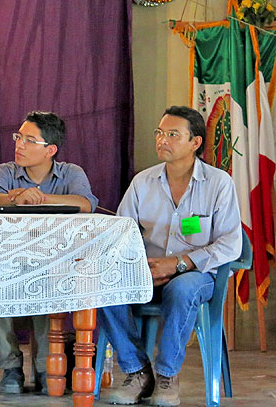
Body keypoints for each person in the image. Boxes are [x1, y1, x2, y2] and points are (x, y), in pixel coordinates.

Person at [100, 106, 241, 406]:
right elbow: (121, 234)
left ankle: (167, 375)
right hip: (148, 271)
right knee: (104, 285)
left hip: (199, 275)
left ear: (195, 143)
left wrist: (178, 263)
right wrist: (139, 266)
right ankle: (137, 370)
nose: (163, 140)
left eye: (173, 134)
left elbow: (231, 244)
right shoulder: (142, 182)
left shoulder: (219, 184)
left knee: (182, 288)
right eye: (160, 133)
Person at [0, 111, 98, 394]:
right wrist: (15, 196)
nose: (19, 144)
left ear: (50, 150)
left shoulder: (71, 172)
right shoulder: (6, 172)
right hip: (9, 259)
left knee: (48, 287)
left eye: (29, 140)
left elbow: (85, 204)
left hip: (54, 260)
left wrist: (41, 198)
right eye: (18, 137)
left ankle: (47, 370)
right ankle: (11, 367)